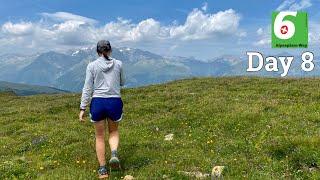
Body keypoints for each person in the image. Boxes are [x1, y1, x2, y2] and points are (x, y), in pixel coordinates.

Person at [79, 40, 125, 178]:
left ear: (97, 51)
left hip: (98, 102)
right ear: (110, 50)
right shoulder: (119, 64)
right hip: (114, 101)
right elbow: (122, 82)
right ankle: (114, 153)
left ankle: (103, 170)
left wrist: (82, 107)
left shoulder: (91, 66)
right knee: (113, 131)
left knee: (99, 136)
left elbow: (87, 88)